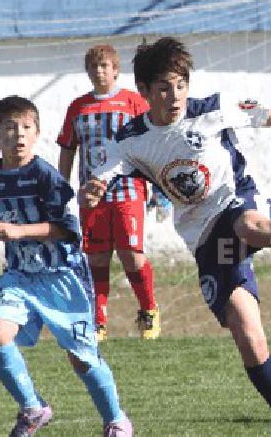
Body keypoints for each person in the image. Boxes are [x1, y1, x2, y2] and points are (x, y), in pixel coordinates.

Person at [81, 37, 271, 436]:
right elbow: (100, 175)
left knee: (249, 225)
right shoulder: (131, 139)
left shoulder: (212, 110)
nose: (175, 96)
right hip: (203, 235)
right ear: (145, 92)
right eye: (164, 88)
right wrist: (92, 189)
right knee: (247, 334)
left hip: (238, 200)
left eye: (181, 85)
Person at [0, 96, 133, 436]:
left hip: (63, 277)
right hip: (20, 276)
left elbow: (68, 232)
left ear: (37, 133)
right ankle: (33, 408)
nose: (19, 135)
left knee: (81, 359)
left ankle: (116, 420)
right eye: (10, 128)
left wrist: (19, 231)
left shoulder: (47, 177)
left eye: (27, 128)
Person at [57, 44, 166, 341]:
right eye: (94, 66)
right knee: (97, 257)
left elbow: (154, 144)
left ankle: (149, 311)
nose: (99, 71)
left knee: (131, 254)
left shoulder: (133, 102)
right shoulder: (78, 107)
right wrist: (62, 189)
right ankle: (98, 322)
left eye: (105, 66)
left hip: (128, 188)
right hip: (91, 194)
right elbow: (68, 149)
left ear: (116, 70)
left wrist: (161, 189)